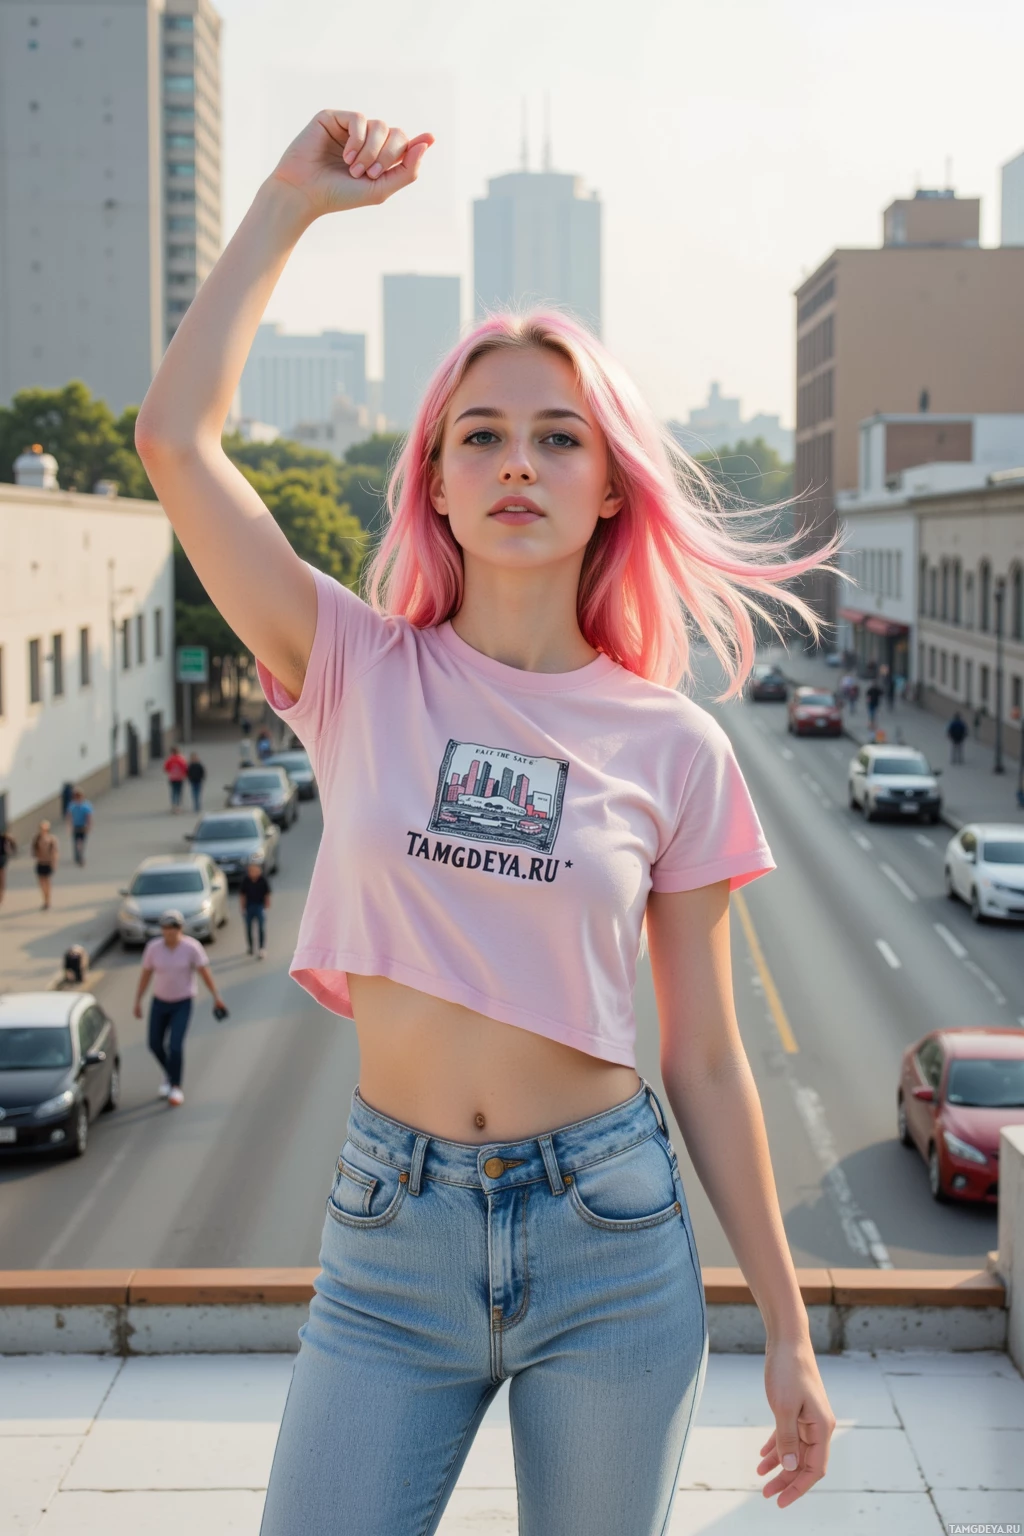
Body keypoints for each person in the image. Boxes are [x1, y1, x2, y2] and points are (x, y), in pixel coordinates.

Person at [135, 108, 838, 1532]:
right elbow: (174, 440)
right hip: (391, 1240)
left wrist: (788, 1321)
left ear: (607, 489)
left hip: (611, 1238)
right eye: (484, 435)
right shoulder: (351, 667)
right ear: (441, 486)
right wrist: (287, 202)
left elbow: (706, 1054)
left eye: (557, 437)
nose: (519, 460)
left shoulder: (676, 745)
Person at [132, 908, 226, 1107]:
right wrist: (138, 1000)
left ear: (180, 929)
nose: (169, 932)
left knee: (175, 1045)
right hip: (160, 1002)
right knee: (154, 1044)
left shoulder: (191, 948)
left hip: (182, 1002)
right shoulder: (153, 948)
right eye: (166, 928)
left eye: (173, 928)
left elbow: (204, 972)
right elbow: (146, 974)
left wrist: (216, 996)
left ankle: (176, 1086)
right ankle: (169, 1073)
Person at [239, 855, 272, 957]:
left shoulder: (263, 880)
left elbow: (267, 893)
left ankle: (261, 948)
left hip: (259, 906)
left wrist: (267, 905)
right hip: (249, 906)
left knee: (261, 927)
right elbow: (242, 895)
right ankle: (251, 947)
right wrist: (243, 907)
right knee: (248, 928)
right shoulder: (246, 880)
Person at [30, 820, 59, 910]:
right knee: (41, 882)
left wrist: (54, 863)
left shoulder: (51, 839)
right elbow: (34, 850)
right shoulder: (37, 838)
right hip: (40, 863)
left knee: (47, 882)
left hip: (48, 863)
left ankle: (48, 900)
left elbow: (55, 852)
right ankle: (44, 899)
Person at [66, 787, 93, 866]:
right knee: (77, 841)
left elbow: (89, 817)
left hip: (82, 826)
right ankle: (78, 855)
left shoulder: (85, 806)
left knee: (80, 841)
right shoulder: (73, 806)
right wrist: (69, 826)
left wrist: (89, 826)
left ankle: (79, 855)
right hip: (76, 826)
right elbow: (69, 816)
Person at [163, 744, 189, 813]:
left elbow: (166, 768)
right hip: (180, 778)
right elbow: (185, 767)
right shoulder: (181, 758)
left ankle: (173, 806)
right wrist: (185, 774)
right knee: (179, 792)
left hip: (172, 778)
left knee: (173, 792)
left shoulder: (170, 759)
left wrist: (170, 772)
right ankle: (178, 806)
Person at [0, 828, 16, 908]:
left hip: (1, 861)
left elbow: (13, 846)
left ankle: (1, 897)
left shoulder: (4, 837)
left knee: (2, 881)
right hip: (2, 860)